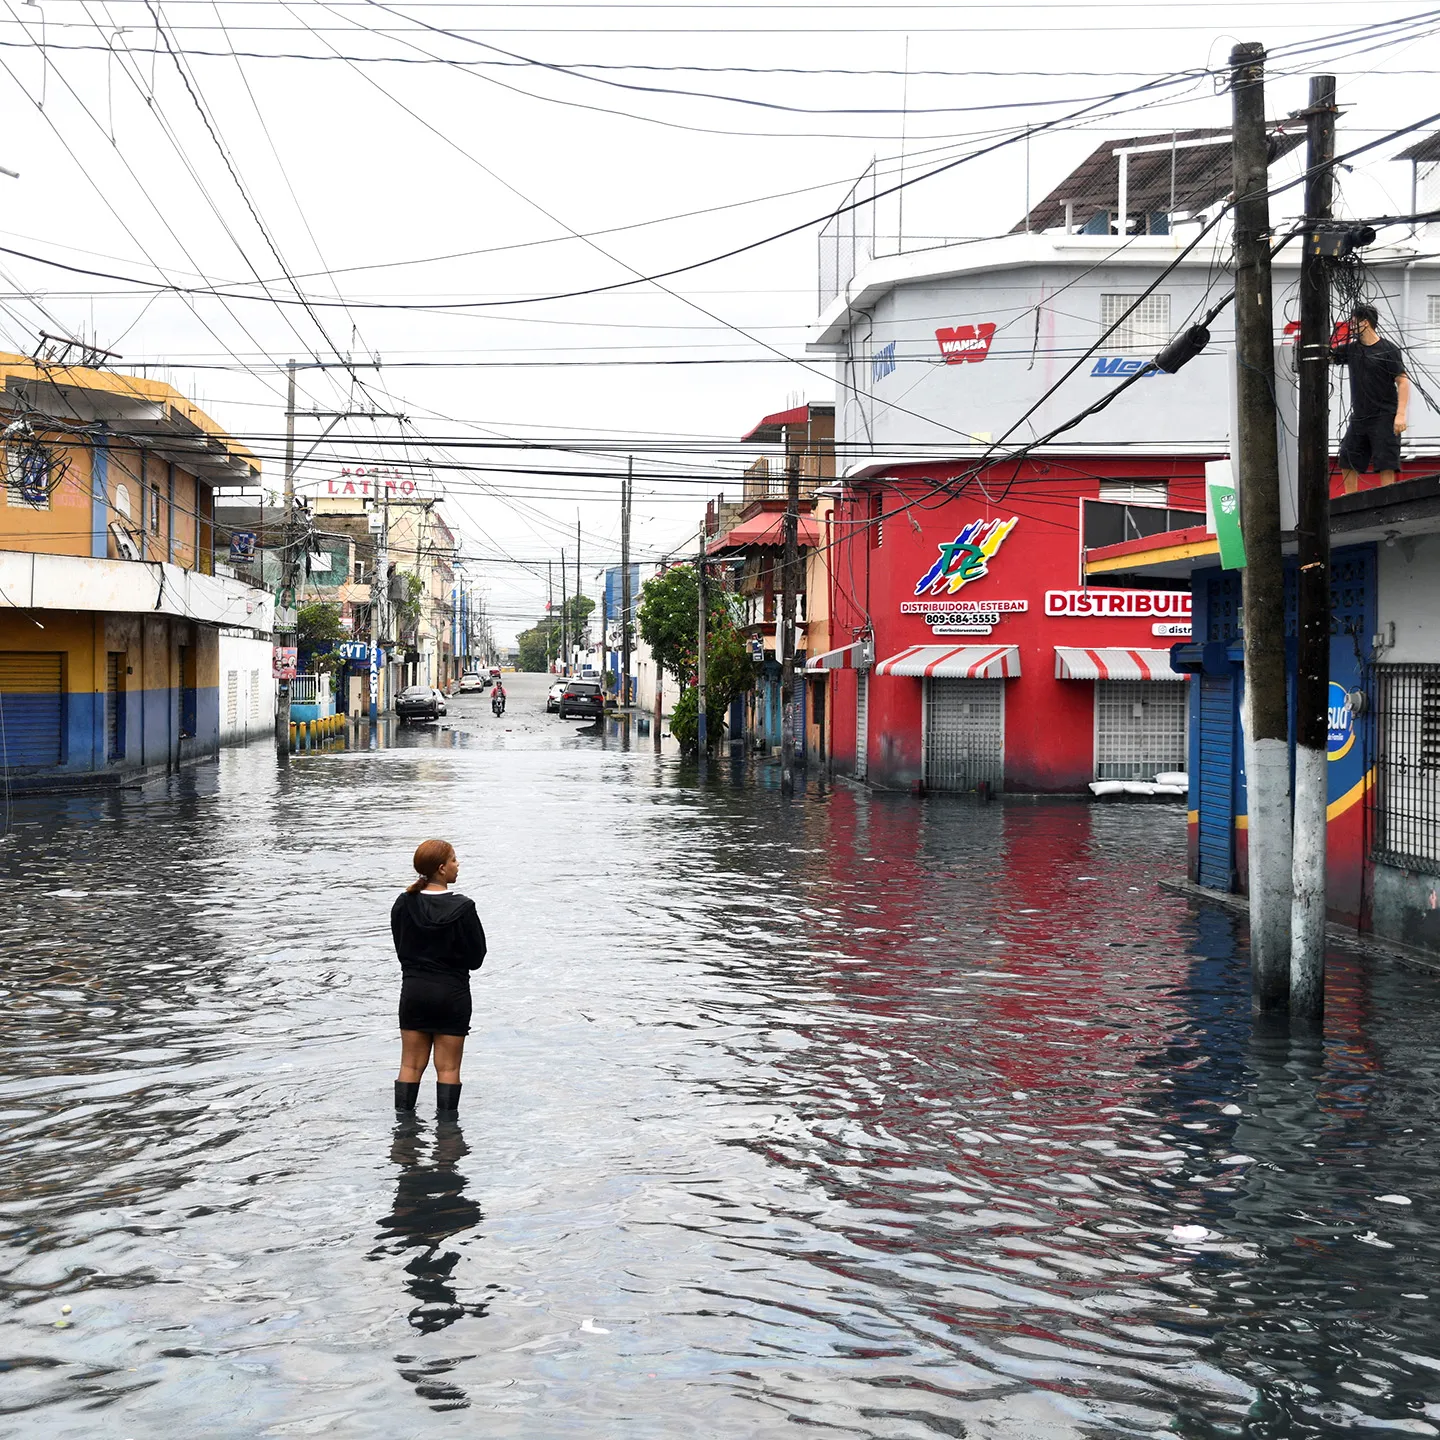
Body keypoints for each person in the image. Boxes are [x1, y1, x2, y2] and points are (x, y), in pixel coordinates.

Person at [390, 839, 487, 1118]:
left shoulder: (403, 903)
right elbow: (476, 959)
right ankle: (447, 1146)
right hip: (451, 994)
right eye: (455, 860)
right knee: (448, 1069)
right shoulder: (464, 908)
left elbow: (401, 948)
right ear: (442, 869)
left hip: (414, 992)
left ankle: (404, 1142)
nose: (458, 865)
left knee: (410, 1066)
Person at [1331, 302, 1410, 494]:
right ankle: (1350, 499)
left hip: (1384, 415)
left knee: (1386, 462)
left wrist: (1400, 415)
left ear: (1365, 323)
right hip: (1359, 417)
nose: (1351, 325)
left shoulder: (1388, 349)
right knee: (1347, 458)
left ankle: (1388, 501)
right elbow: (1328, 354)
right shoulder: (1352, 349)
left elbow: (1403, 381)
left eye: (1354, 321)